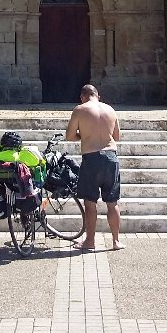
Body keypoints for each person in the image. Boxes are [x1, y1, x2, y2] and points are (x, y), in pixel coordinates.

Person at [65, 83, 124, 251]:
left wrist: (84, 134)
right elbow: (116, 137)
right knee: (112, 203)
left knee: (90, 203)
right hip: (111, 158)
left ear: (82, 97)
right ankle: (116, 241)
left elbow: (69, 136)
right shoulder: (110, 110)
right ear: (98, 96)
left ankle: (90, 241)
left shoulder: (80, 109)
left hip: (92, 158)